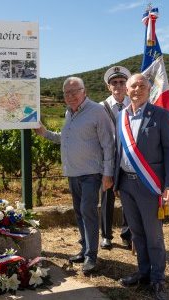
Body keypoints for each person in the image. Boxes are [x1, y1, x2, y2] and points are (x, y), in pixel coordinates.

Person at [34, 77, 114, 274]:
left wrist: (108, 173)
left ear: (84, 91)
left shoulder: (97, 111)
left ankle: (91, 256)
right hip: (73, 173)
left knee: (88, 211)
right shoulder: (69, 113)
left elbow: (108, 144)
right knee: (79, 212)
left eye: (74, 91)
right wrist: (45, 133)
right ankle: (84, 248)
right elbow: (66, 138)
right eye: (66, 93)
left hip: (91, 173)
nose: (70, 96)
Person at [114, 74, 169, 300]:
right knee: (137, 233)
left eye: (142, 86)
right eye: (133, 86)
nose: (137, 89)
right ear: (127, 90)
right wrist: (114, 180)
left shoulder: (160, 115)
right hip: (126, 184)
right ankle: (143, 272)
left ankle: (158, 279)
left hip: (150, 185)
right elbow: (118, 151)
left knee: (154, 236)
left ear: (149, 89)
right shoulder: (121, 116)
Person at [99, 66, 133, 250]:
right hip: (109, 159)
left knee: (128, 197)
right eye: (114, 82)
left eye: (122, 82)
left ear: (127, 84)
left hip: (128, 159)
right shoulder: (100, 107)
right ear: (108, 86)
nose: (118, 85)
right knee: (106, 198)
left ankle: (127, 234)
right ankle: (106, 235)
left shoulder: (134, 104)